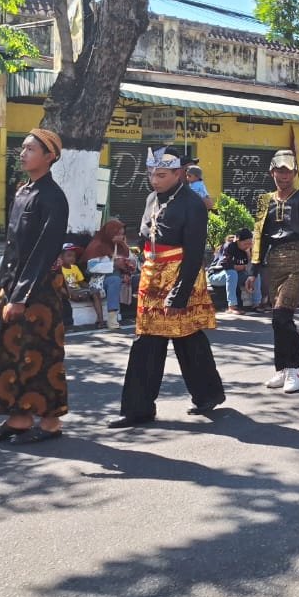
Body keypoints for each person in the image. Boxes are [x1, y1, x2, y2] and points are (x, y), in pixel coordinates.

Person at [0, 127, 70, 443]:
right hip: (14, 287)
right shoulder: (24, 191)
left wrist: (22, 296)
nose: (23, 154)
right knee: (7, 353)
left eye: (31, 149)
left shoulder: (53, 197)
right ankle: (19, 418)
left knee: (40, 355)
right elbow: (14, 248)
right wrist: (6, 288)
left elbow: (43, 251)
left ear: (50, 157)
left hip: (39, 292)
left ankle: (50, 423)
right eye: (22, 148)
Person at [109, 146, 225, 428]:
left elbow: (195, 253)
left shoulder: (193, 204)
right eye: (151, 174)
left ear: (179, 173)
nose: (154, 180)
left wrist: (180, 293)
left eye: (161, 175)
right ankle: (138, 408)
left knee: (188, 338)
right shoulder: (151, 198)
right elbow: (145, 235)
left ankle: (207, 394)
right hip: (151, 275)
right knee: (146, 341)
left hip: (180, 275)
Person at [251, 149, 299, 393]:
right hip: (274, 260)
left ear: (295, 172)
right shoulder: (264, 201)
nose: (283, 176)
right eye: (279, 171)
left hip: (298, 256)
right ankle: (281, 368)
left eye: (288, 171)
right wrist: (253, 269)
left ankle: (295, 367)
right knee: (277, 319)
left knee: (283, 314)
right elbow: (258, 236)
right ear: (272, 172)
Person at [85, 218, 136, 328]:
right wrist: (113, 265)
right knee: (114, 280)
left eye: (122, 235)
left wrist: (127, 270)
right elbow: (91, 267)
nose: (120, 237)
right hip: (101, 279)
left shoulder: (121, 246)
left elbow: (132, 261)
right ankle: (112, 318)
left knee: (139, 280)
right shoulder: (97, 245)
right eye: (117, 234)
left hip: (119, 275)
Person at [210, 227, 256, 316]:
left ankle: (257, 304)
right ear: (238, 241)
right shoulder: (229, 246)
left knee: (254, 276)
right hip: (216, 276)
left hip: (234, 276)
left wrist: (248, 254)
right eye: (245, 243)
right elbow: (226, 265)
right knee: (232, 272)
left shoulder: (247, 249)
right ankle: (232, 306)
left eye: (250, 244)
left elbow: (250, 268)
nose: (248, 246)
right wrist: (242, 267)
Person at [59, 242, 106, 327]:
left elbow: (81, 282)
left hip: (78, 290)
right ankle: (78, 296)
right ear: (61, 257)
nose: (72, 258)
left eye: (74, 256)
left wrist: (90, 288)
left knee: (95, 293)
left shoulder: (75, 267)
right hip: (68, 291)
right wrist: (70, 294)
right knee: (70, 293)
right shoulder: (59, 269)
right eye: (69, 255)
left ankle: (100, 320)